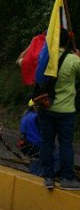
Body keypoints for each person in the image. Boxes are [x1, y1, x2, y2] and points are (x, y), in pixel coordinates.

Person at [38, 29, 80, 190]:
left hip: (46, 107)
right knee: (65, 145)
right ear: (67, 41)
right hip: (66, 111)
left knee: (47, 143)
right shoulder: (72, 60)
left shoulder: (45, 58)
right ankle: (67, 178)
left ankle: (48, 177)